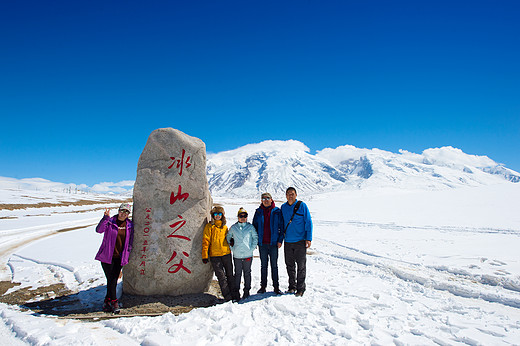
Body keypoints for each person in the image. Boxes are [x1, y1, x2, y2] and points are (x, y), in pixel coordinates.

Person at [95, 202, 134, 313]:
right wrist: (105, 218)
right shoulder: (110, 221)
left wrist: (127, 253)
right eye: (122, 211)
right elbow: (99, 230)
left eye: (126, 212)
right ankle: (114, 301)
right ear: (118, 210)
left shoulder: (129, 225)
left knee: (112, 280)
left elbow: (130, 242)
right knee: (112, 280)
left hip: (119, 257)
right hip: (107, 256)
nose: (123, 214)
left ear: (128, 214)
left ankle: (107, 301)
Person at [201, 206, 240, 302]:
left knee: (230, 275)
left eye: (219, 214)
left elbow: (228, 238)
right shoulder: (209, 227)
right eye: (215, 214)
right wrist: (205, 255)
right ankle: (227, 296)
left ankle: (235, 294)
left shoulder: (225, 227)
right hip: (215, 256)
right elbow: (206, 241)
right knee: (221, 277)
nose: (217, 216)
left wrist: (231, 241)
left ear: (222, 215)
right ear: (212, 215)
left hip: (226, 254)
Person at [281, 187, 313, 297]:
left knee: (301, 266)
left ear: (296, 195)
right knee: (289, 265)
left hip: (300, 241)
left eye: (292, 194)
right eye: (288, 194)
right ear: (286, 195)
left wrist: (308, 238)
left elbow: (308, 222)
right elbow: (281, 225)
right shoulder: (283, 207)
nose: (290, 196)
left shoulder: (302, 206)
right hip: (288, 241)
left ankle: (300, 288)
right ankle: (292, 287)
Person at [252, 192, 284, 295]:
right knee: (263, 266)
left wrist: (280, 240)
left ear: (271, 199)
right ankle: (263, 286)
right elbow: (254, 227)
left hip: (273, 243)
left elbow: (282, 227)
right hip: (263, 244)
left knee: (274, 265)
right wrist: (256, 241)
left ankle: (276, 287)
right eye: (263, 198)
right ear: (261, 200)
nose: (266, 200)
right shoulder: (258, 212)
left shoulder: (277, 212)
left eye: (267, 198)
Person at [226, 207, 258, 299]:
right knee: (237, 273)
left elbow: (255, 238)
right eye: (241, 216)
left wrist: (251, 248)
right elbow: (228, 238)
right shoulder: (233, 227)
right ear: (238, 217)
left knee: (247, 273)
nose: (243, 218)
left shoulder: (250, 227)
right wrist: (232, 248)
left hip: (248, 254)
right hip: (237, 255)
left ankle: (246, 291)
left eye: (245, 216)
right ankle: (236, 293)